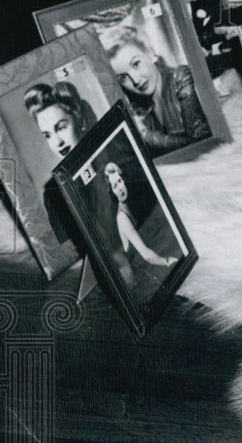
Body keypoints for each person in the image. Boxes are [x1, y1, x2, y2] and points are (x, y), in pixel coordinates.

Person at [103, 26, 212, 155]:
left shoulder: (181, 76)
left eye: (136, 64)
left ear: (150, 53)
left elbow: (199, 141)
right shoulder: (141, 110)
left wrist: (144, 135)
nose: (135, 80)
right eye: (123, 78)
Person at [24, 81, 98, 240]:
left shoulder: (112, 154)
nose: (57, 142)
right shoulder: (53, 194)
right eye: (47, 135)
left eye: (61, 127)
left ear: (80, 121)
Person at [103, 161, 179, 270]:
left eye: (119, 181)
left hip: (147, 260)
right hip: (140, 268)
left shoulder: (129, 203)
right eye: (115, 186)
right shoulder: (122, 218)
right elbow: (146, 255)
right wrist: (167, 261)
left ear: (123, 180)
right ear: (113, 192)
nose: (120, 187)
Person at [172, 0, 232, 82]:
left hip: (216, 67)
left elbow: (216, 30)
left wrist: (221, 31)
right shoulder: (168, 15)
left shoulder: (206, 1)